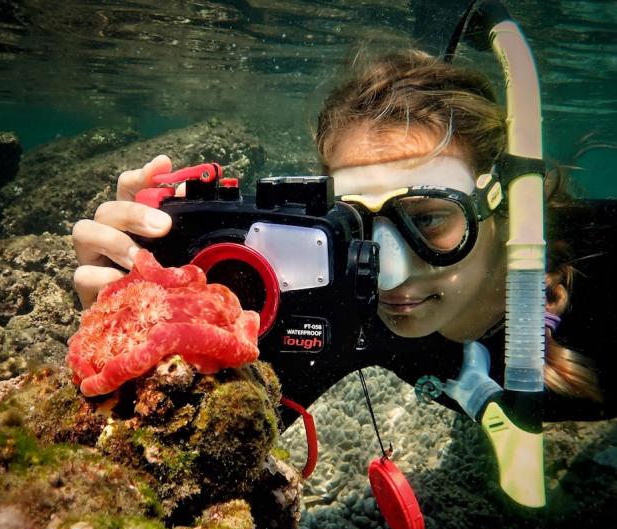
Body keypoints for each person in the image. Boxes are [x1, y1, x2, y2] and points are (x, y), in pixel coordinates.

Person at [72, 49, 617, 423]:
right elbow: (198, 450)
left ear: (504, 205)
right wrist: (134, 340)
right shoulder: (344, 303)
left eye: (428, 218)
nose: (389, 273)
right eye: (354, 223)